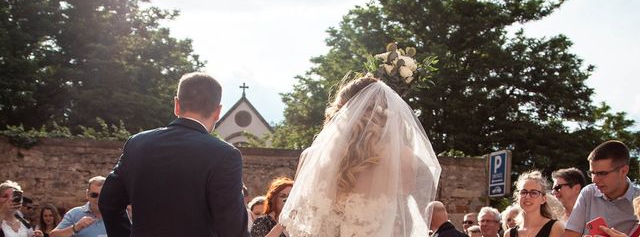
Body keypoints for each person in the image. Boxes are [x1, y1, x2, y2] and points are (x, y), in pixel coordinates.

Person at [279, 72, 442, 236]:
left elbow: (292, 221)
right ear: (385, 113)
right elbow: (420, 219)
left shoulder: (310, 157)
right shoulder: (404, 158)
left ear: (339, 111)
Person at [99, 72, 248, 237]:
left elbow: (108, 203)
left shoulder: (137, 143)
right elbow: (233, 230)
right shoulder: (225, 155)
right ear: (218, 111)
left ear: (176, 104)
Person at [564, 140, 640, 237]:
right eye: (592, 173)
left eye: (602, 173)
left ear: (624, 171)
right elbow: (570, 234)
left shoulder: (638, 200)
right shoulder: (588, 192)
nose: (594, 180)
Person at [508, 171, 564, 237]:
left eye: (534, 193)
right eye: (523, 192)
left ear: (543, 199)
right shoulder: (509, 234)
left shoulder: (555, 228)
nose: (527, 197)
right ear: (518, 197)